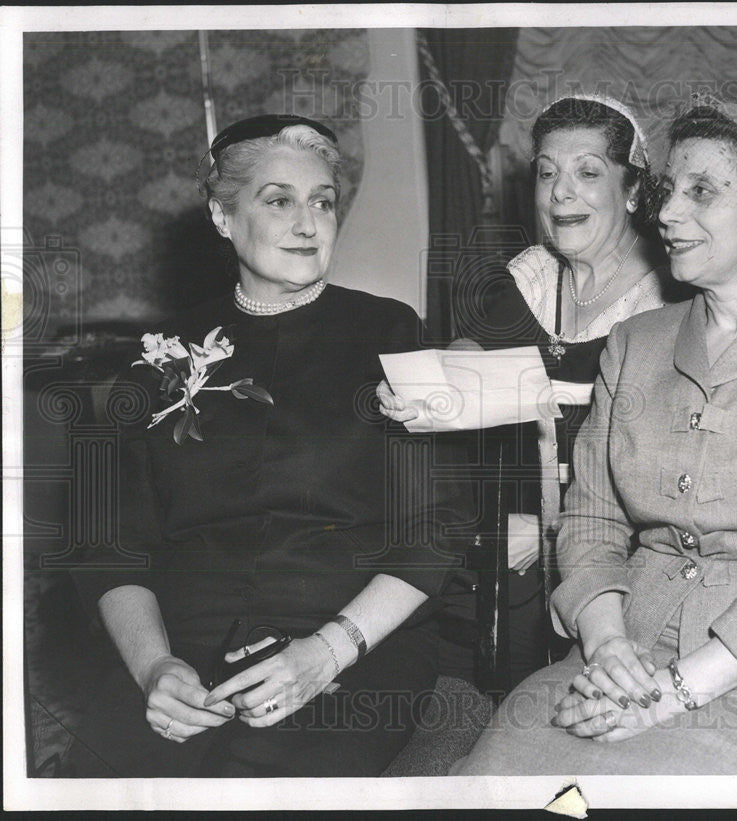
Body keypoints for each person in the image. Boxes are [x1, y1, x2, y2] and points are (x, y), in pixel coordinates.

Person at [456, 98, 737, 775]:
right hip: (621, 656)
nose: (666, 213)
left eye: (703, 192)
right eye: (670, 191)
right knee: (495, 781)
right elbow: (593, 518)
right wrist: (606, 645)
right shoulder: (635, 342)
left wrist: (672, 692)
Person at [66, 114, 465, 777]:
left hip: (354, 636)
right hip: (184, 643)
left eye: (323, 201)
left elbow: (436, 529)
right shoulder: (157, 354)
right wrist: (153, 668)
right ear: (224, 217)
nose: (308, 223)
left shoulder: (391, 328)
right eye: (279, 200)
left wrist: (327, 652)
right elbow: (109, 541)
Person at [379, 95, 681, 688]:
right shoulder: (535, 275)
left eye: (588, 173)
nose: (560, 193)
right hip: (516, 527)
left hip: (627, 541)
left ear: (635, 191)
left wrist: (548, 530)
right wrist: (429, 387)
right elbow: (473, 350)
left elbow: (658, 466)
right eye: (547, 173)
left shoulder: (667, 299)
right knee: (451, 640)